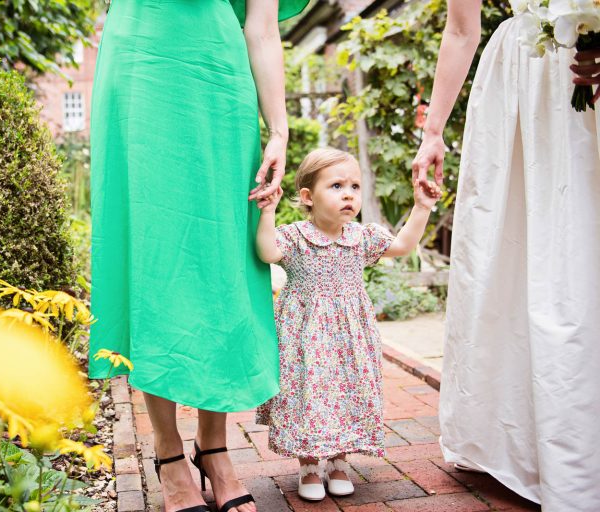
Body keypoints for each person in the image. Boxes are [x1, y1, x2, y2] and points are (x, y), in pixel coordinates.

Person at [88, 1, 310, 511]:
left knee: (223, 262)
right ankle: (169, 457)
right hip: (140, 60)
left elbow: (261, 23)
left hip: (217, 73)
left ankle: (214, 449)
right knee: (151, 254)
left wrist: (278, 128)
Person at [411, 1, 600, 509]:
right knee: (542, 255)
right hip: (528, 80)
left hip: (584, 64)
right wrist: (433, 132)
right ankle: (532, 443)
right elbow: (460, 28)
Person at [255, 148, 441, 501]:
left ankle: (339, 462)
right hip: (306, 333)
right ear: (308, 197)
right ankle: (309, 464)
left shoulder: (361, 237)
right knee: (309, 393)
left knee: (348, 390)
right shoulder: (296, 236)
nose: (348, 194)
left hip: (351, 335)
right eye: (336, 185)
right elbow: (267, 252)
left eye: (355, 186)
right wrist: (268, 212)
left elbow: (402, 246)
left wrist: (422, 206)